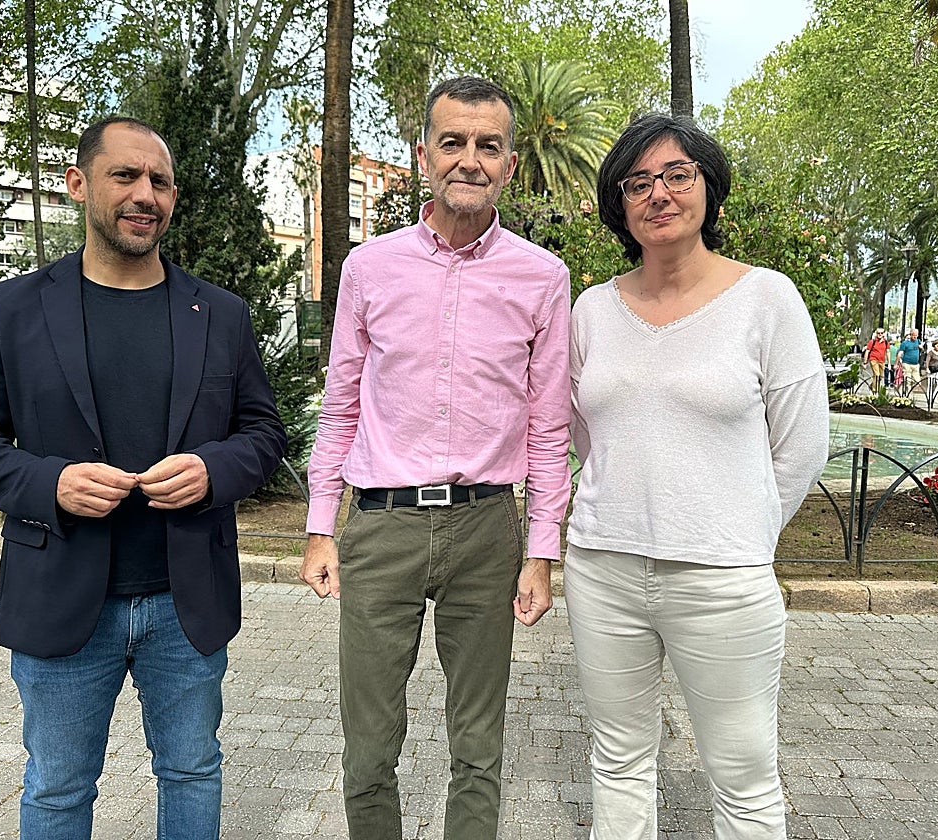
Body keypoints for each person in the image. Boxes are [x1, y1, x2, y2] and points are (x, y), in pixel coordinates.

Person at [0, 116, 288, 839]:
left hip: (184, 601)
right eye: (125, 176)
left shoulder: (220, 314)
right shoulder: (15, 308)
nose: (144, 194)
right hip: (64, 598)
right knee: (59, 790)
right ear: (79, 184)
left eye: (159, 181)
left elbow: (263, 434)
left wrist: (212, 467)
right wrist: (52, 485)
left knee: (192, 771)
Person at [298, 76, 571, 840]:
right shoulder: (369, 269)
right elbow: (341, 405)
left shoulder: (543, 279)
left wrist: (540, 552)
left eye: (488, 146)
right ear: (424, 155)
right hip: (380, 529)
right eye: (453, 142)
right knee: (369, 751)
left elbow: (550, 431)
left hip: (488, 531)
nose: (470, 160)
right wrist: (323, 526)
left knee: (478, 749)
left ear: (510, 165)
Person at [566, 113, 829, 839]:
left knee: (743, 778)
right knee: (617, 764)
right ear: (619, 203)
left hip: (723, 578)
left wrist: (735, 525)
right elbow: (588, 431)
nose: (659, 193)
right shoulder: (592, 309)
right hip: (602, 567)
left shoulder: (766, 299)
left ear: (709, 188)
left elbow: (802, 446)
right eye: (638, 182)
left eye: (677, 175)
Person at [897, 327, 924, 394]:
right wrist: (896, 363)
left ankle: (900, 387)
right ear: (910, 335)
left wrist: (921, 348)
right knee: (908, 380)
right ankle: (908, 395)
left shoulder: (918, 341)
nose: (915, 336)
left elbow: (923, 351)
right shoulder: (905, 343)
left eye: (916, 335)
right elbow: (900, 353)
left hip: (916, 364)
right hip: (907, 363)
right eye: (913, 335)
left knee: (917, 381)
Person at [926, 339, 938, 403]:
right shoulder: (931, 352)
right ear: (934, 346)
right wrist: (927, 368)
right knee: (930, 384)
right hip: (932, 369)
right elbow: (927, 361)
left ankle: (935, 396)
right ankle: (929, 397)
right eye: (937, 346)